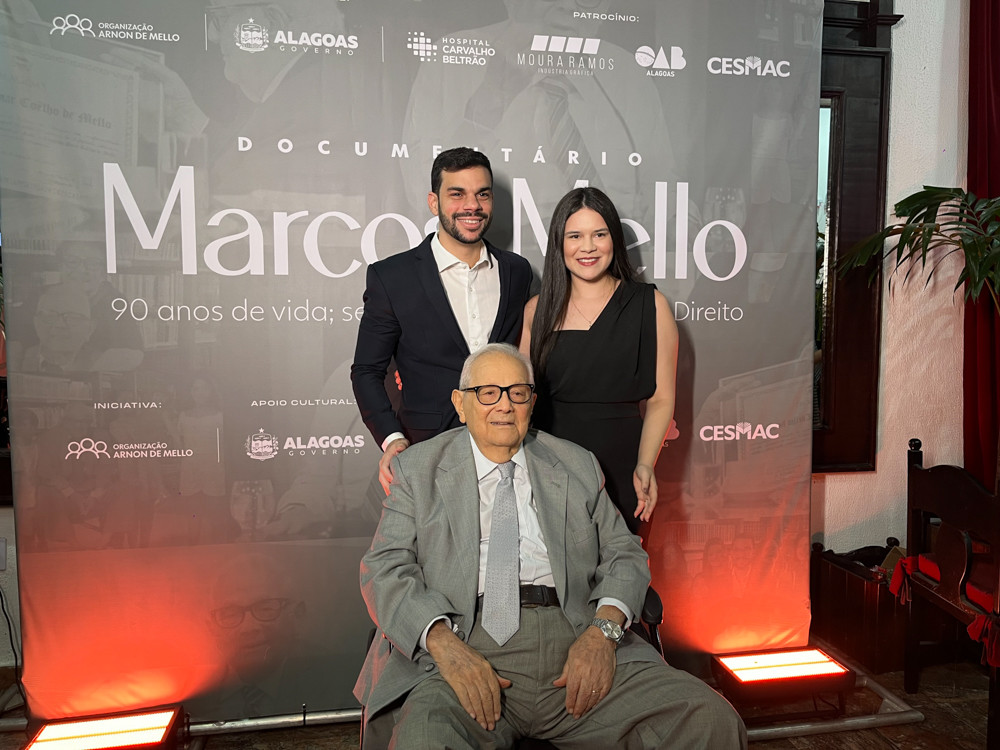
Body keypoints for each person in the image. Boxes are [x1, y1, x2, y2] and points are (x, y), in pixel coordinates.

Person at [355, 344, 745, 749]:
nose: (504, 405)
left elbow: (624, 553)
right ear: (460, 404)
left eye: (517, 392)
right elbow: (384, 569)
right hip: (465, 646)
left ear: (532, 402)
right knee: (423, 739)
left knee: (709, 719)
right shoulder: (417, 469)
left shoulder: (576, 463)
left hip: (576, 639)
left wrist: (603, 633)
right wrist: (444, 646)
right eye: (487, 393)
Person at [351, 147, 533, 493]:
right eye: (457, 194)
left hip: (507, 449)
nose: (472, 206)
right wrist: (392, 438)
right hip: (426, 451)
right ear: (434, 202)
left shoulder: (517, 271)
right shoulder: (392, 277)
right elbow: (366, 371)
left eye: (482, 194)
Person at [521, 187, 679, 535]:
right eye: (575, 236)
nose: (588, 247)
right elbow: (521, 400)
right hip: (550, 467)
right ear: (559, 243)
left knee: (622, 565)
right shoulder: (536, 311)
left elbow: (661, 399)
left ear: (614, 240)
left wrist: (645, 464)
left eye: (599, 234)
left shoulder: (651, 306)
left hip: (624, 470)